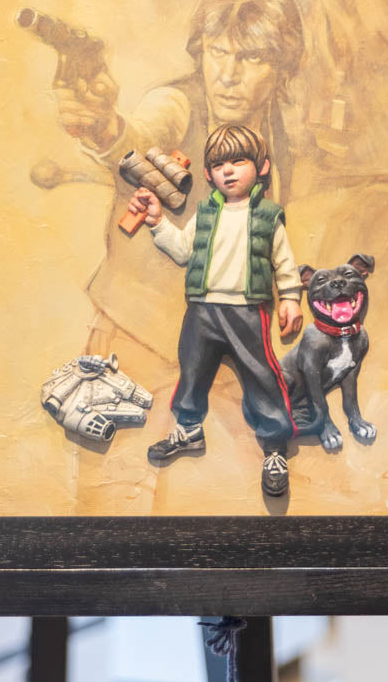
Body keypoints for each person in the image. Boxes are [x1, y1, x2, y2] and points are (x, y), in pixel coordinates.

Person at [41, 0, 304, 363]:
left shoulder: (279, 134)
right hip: (141, 337)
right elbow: (140, 137)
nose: (228, 75)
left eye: (251, 58)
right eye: (217, 51)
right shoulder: (176, 103)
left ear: (281, 68)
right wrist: (103, 128)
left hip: (226, 341)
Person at [127, 123, 304, 497]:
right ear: (208, 174)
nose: (228, 171)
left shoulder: (268, 215)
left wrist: (290, 297)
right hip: (202, 308)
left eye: (238, 162)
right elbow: (182, 250)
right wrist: (157, 221)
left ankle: (275, 448)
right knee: (192, 368)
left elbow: (284, 262)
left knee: (260, 374)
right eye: (219, 165)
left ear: (262, 167)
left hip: (246, 311)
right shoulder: (205, 213)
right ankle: (188, 429)